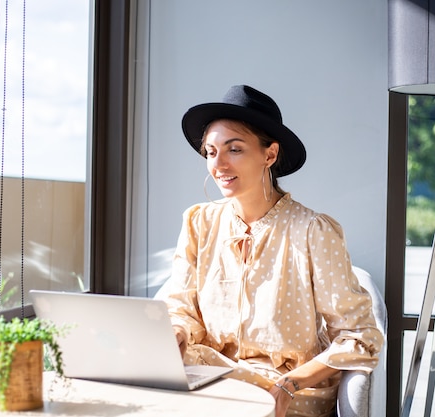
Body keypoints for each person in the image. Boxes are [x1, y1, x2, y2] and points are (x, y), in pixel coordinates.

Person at [157, 84, 384, 417]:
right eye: (210, 151)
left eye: (233, 149)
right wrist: (177, 331)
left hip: (286, 391)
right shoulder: (198, 223)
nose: (218, 163)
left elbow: (360, 337)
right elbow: (180, 306)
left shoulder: (313, 231)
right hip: (208, 378)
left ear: (270, 154)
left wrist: (290, 383)